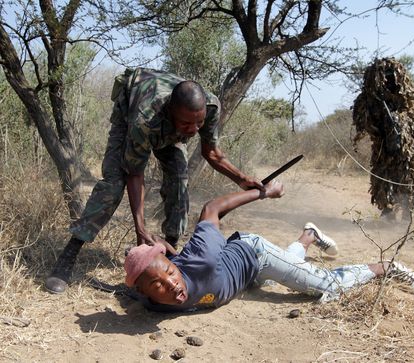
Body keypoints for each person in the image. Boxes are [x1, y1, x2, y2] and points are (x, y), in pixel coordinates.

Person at [45, 68, 264, 294]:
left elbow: (212, 152)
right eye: (187, 124)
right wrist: (140, 228)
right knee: (113, 185)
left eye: (198, 123)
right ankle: (69, 255)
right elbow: (134, 172)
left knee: (179, 182)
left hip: (167, 123)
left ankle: (170, 250)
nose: (193, 130)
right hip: (130, 114)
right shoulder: (144, 119)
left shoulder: (209, 107)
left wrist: (242, 179)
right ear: (171, 113)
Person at [124, 180, 414, 312]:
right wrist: (150, 253)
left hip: (254, 254)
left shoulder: (202, 258)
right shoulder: (149, 304)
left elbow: (211, 209)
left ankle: (384, 267)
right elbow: (149, 276)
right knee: (288, 265)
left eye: (169, 273)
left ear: (172, 264)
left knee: (327, 286)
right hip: (246, 277)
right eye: (158, 285)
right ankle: (308, 235)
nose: (171, 284)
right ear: (143, 292)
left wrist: (264, 193)